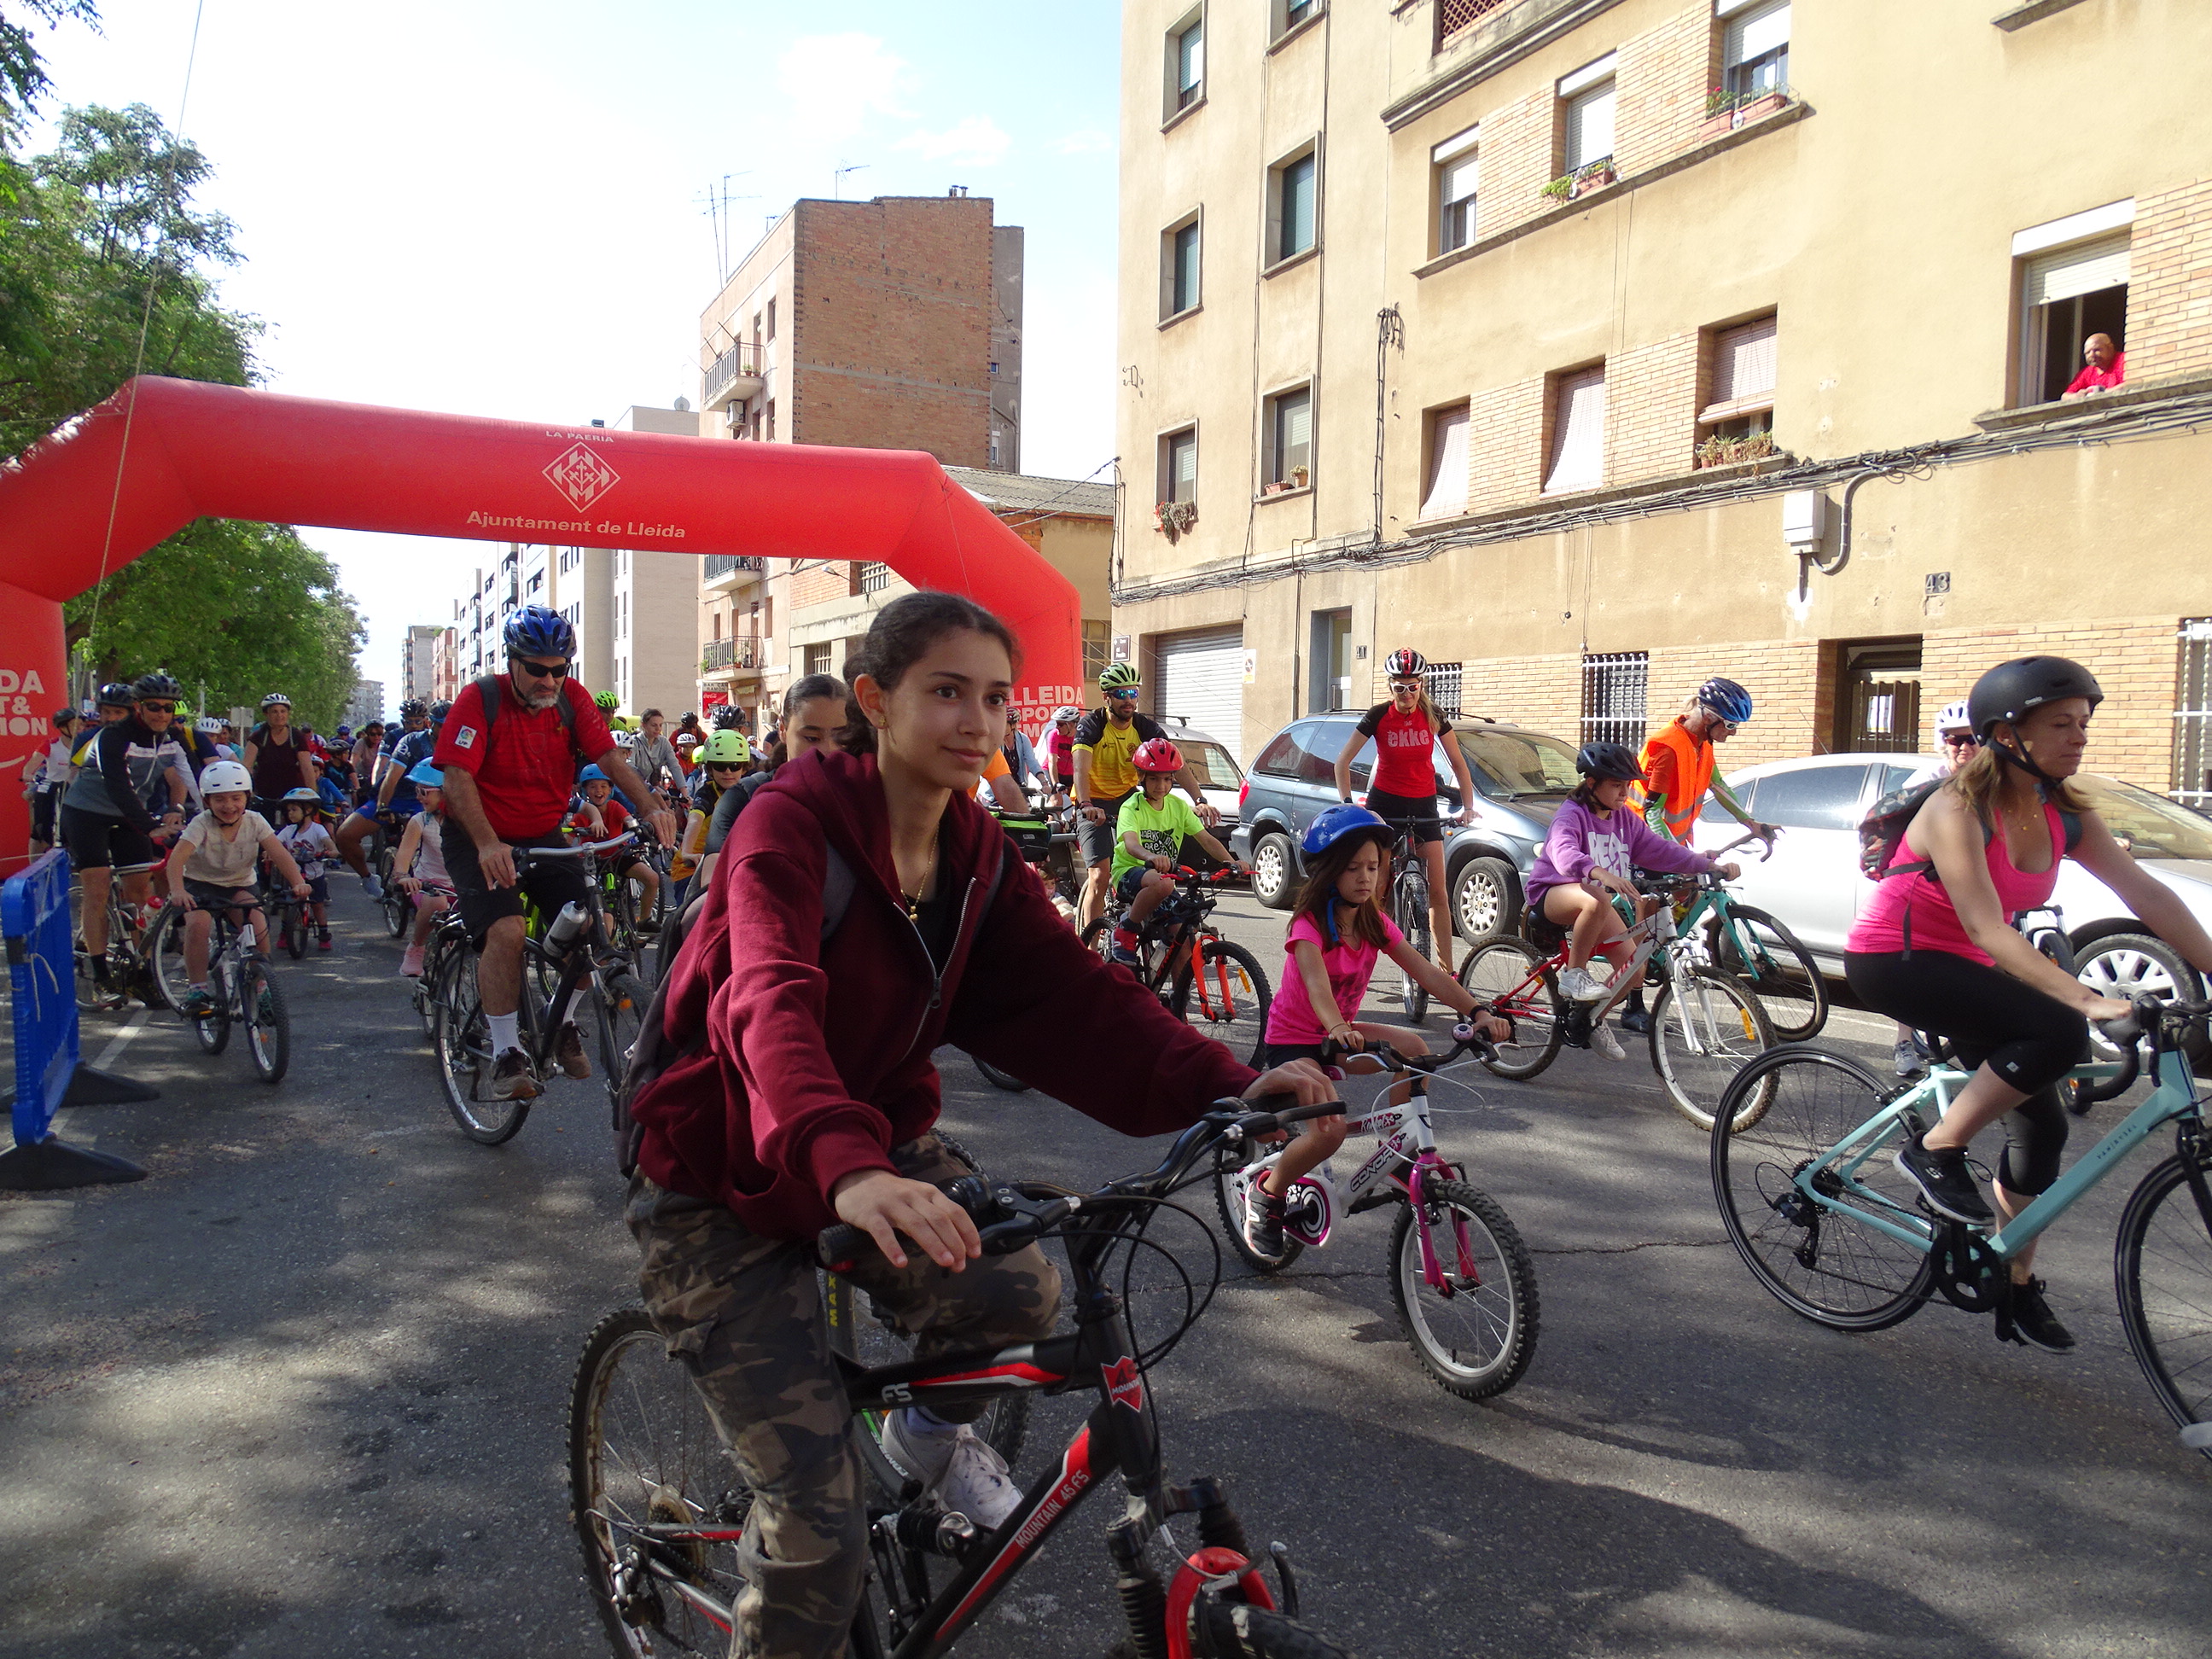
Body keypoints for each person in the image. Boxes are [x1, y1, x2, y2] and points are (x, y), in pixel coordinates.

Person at [622, 589, 1334, 1659]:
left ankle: (918, 1446)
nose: (978, 721)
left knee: (1021, 1290)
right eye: (946, 692)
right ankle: (817, 1508)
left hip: (864, 1140)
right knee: (818, 1526)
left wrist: (1225, 1086)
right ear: (874, 700)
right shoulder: (787, 824)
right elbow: (765, 998)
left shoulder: (977, 852)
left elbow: (1077, 999)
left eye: (996, 699)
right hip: (719, 1166)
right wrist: (844, 1166)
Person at [1846, 656, 2212, 1352]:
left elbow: (2149, 895)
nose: (2078, 738)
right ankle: (1935, 1147)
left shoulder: (2064, 813)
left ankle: (2013, 1283)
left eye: (2083, 723)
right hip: (1896, 959)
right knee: (2057, 1029)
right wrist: (2089, 1000)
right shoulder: (1957, 808)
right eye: (2060, 725)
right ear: (2007, 733)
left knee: (2042, 1130)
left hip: (1971, 963)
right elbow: (1985, 925)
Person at [1244, 803, 1512, 1260]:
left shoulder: (1372, 922)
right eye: (1353, 868)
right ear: (1328, 871)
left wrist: (1478, 1010)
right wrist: (1336, 1026)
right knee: (1327, 1132)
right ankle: (1265, 1196)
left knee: (1413, 1048)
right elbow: (1315, 986)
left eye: (1373, 867)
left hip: (1340, 1035)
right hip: (1295, 1042)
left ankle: (1396, 1154)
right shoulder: (1308, 925)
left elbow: (1426, 973)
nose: (1366, 878)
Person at [431, 605, 677, 1101]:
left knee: (596, 926)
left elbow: (607, 755)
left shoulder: (572, 699)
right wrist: (485, 842)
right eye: (538, 668)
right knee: (507, 930)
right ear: (513, 662)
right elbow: (456, 777)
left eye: (559, 668)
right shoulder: (481, 699)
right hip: (480, 835)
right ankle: (505, 1053)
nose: (550, 679)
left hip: (543, 831)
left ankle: (558, 1022)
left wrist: (651, 806)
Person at [1523, 742, 1741, 1062]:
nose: (1625, 792)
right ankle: (1575, 975)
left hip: (1594, 903)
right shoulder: (1572, 814)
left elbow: (1661, 849)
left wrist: (1707, 865)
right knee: (1597, 896)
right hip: (1553, 894)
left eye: (1628, 785)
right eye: (1616, 785)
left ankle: (1592, 1019)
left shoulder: (1625, 819)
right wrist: (1599, 873)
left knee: (1634, 972)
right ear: (1592, 783)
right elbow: (1563, 853)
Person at [1332, 649, 1479, 975]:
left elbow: (1459, 764)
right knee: (1376, 889)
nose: (1407, 694)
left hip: (1424, 803)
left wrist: (1469, 807)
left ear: (1422, 686)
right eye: (1400, 687)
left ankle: (1447, 973)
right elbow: (1341, 763)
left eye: (1413, 687)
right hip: (1385, 805)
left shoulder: (1434, 716)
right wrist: (1347, 803)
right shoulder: (1378, 715)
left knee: (1438, 891)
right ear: (1390, 687)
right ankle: (1357, 963)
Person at [58, 674, 196, 992]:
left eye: (167, 707)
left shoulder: (173, 738)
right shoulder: (113, 736)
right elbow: (118, 788)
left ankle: (143, 969)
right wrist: (151, 826)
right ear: (138, 707)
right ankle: (100, 973)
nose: (161, 713)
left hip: (131, 818)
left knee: (138, 895)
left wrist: (204, 814)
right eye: (153, 707)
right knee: (98, 889)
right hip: (87, 814)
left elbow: (190, 778)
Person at [1072, 663, 1217, 928]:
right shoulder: (1092, 724)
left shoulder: (1143, 726)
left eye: (1133, 693)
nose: (1128, 700)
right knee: (1099, 876)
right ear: (1107, 697)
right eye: (1121, 694)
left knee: (1153, 867)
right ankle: (1089, 950)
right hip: (1094, 801)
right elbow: (1080, 768)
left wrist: (1199, 799)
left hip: (1128, 797)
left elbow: (1175, 765)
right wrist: (1086, 804)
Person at [166, 760, 312, 1016]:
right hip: (200, 884)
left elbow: (280, 854)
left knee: (258, 926)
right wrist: (178, 890)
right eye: (220, 800)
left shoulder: (255, 821)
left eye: (236, 798)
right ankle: (197, 988)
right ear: (207, 801)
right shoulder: (201, 824)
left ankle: (262, 985)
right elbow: (177, 859)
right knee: (198, 926)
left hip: (239, 884)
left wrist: (299, 882)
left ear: (248, 797)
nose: (229, 806)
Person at [692, 673, 847, 894]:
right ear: (782, 730)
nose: (827, 751)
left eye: (840, 738)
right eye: (812, 738)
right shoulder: (743, 798)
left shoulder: (867, 800)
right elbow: (712, 889)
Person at [1891, 700, 1980, 1078]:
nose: (1963, 747)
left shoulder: (1995, 782)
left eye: (1972, 739)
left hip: (1972, 883)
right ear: (1941, 743)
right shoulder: (1927, 782)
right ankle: (1903, 1043)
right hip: (1923, 882)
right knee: (1910, 966)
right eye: (1953, 739)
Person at [1104, 736, 1240, 965]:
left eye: (1167, 779)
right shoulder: (1132, 806)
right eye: (1154, 779)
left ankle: (1179, 999)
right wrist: (1151, 857)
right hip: (1130, 873)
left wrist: (1232, 863)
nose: (1162, 786)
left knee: (1183, 942)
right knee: (1165, 883)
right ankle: (1126, 929)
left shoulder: (1177, 806)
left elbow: (1207, 840)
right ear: (1141, 777)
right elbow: (1131, 844)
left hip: (1163, 878)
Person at [568, 762, 661, 923]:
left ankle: (645, 920)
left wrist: (639, 828)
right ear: (584, 790)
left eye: (604, 786)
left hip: (618, 856)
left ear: (611, 789)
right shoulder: (581, 814)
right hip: (592, 863)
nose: (599, 791)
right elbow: (568, 840)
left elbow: (629, 820)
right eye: (593, 787)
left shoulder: (615, 807)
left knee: (652, 878)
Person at [390, 761, 454, 979]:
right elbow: (404, 857)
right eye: (417, 791)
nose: (418, 797)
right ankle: (416, 947)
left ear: (447, 792)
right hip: (429, 885)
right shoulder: (420, 821)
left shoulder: (468, 820)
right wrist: (403, 876)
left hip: (462, 887)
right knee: (437, 902)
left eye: (424, 791)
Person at [273, 786, 338, 952]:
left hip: (314, 873)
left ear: (308, 810)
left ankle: (324, 934)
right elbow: (275, 843)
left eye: (294, 810)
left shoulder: (317, 829)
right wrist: (269, 851)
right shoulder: (288, 831)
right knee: (288, 904)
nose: (290, 814)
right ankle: (284, 932)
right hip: (294, 874)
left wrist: (332, 850)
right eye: (288, 811)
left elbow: (328, 842)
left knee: (317, 904)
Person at [243, 692, 320, 818]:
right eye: (274, 712)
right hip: (264, 795)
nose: (279, 715)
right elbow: (247, 766)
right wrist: (247, 791)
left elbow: (306, 767)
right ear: (266, 714)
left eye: (283, 711)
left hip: (292, 795)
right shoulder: (259, 736)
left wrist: (312, 796)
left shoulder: (296, 736)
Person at [25, 708, 79, 857]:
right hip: (52, 785)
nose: (79, 729)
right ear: (62, 728)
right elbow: (30, 766)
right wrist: (28, 777)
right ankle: (36, 860)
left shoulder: (85, 745)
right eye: (75, 725)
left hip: (75, 788)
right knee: (41, 828)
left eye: (81, 725)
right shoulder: (51, 745)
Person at [628, 707, 685, 804]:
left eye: (660, 725)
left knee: (671, 805)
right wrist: (650, 789)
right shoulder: (633, 742)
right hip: (635, 787)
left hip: (654, 787)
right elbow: (631, 768)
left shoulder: (663, 742)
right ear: (644, 725)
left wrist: (684, 792)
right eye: (654, 725)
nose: (658, 728)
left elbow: (674, 766)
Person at [2061, 332, 2125, 400]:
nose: (2092, 355)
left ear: (2110, 348)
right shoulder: (2087, 372)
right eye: (2088, 352)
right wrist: (2077, 396)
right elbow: (2065, 396)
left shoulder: (2125, 360)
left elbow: (2134, 382)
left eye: (2097, 350)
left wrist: (2104, 393)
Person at [1044, 704, 1081, 800]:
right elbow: (1052, 761)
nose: (1057, 727)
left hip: (1071, 775)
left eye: (1060, 724)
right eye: (1056, 723)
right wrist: (1056, 784)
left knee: (1079, 803)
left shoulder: (1080, 737)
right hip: (1053, 771)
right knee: (1057, 802)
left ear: (1071, 724)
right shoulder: (1054, 735)